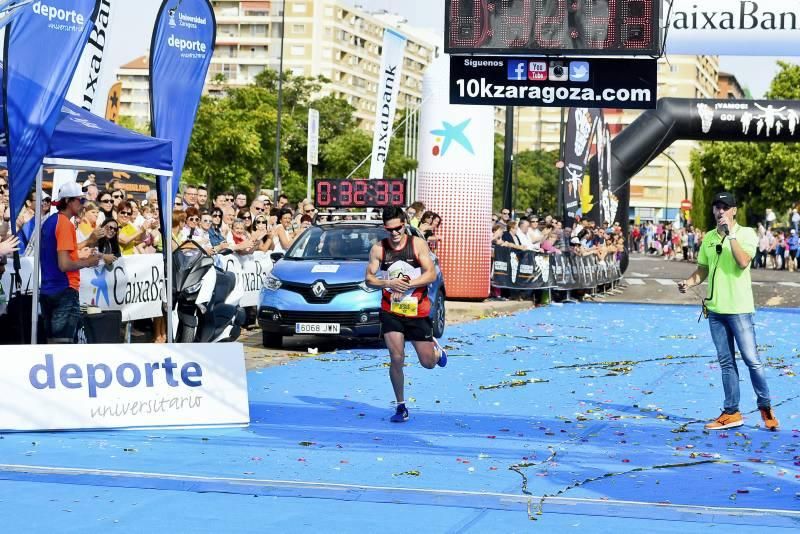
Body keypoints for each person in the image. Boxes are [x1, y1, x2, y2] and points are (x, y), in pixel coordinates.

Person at [678, 192, 779, 431]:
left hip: (740, 309)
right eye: (716, 206)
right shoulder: (709, 238)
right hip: (715, 310)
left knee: (752, 361)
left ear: (734, 210)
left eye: (725, 207)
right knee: (726, 362)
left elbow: (743, 262)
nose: (720, 211)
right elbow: (703, 269)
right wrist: (689, 282)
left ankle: (765, 406)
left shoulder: (746, 234)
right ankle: (731, 412)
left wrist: (730, 235)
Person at [365, 206, 447, 423]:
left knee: (428, 363)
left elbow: (431, 274)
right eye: (389, 229)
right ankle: (401, 406)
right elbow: (369, 279)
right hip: (391, 310)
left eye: (398, 228)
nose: (394, 233)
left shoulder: (417, 244)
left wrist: (407, 284)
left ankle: (436, 352)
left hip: (417, 310)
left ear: (405, 223)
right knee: (396, 357)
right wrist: (389, 283)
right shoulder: (378, 249)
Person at [40, 183, 109, 343]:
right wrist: (88, 262)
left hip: (49, 290)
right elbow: (64, 264)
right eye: (80, 200)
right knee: (63, 345)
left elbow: (63, 250)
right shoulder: (65, 224)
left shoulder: (51, 221)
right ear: (69, 201)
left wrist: (88, 241)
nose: (83, 204)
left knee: (53, 344)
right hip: (64, 290)